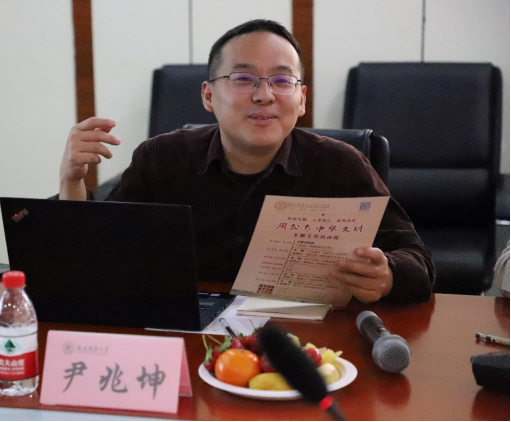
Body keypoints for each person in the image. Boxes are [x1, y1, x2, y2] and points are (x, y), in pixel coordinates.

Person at [58, 20, 435, 304]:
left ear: (302, 99)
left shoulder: (341, 166)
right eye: (243, 78)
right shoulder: (161, 159)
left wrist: (387, 275)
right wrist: (71, 181)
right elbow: (96, 256)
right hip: (187, 340)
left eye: (282, 81)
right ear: (208, 95)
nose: (264, 95)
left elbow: (419, 262)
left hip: (311, 347)